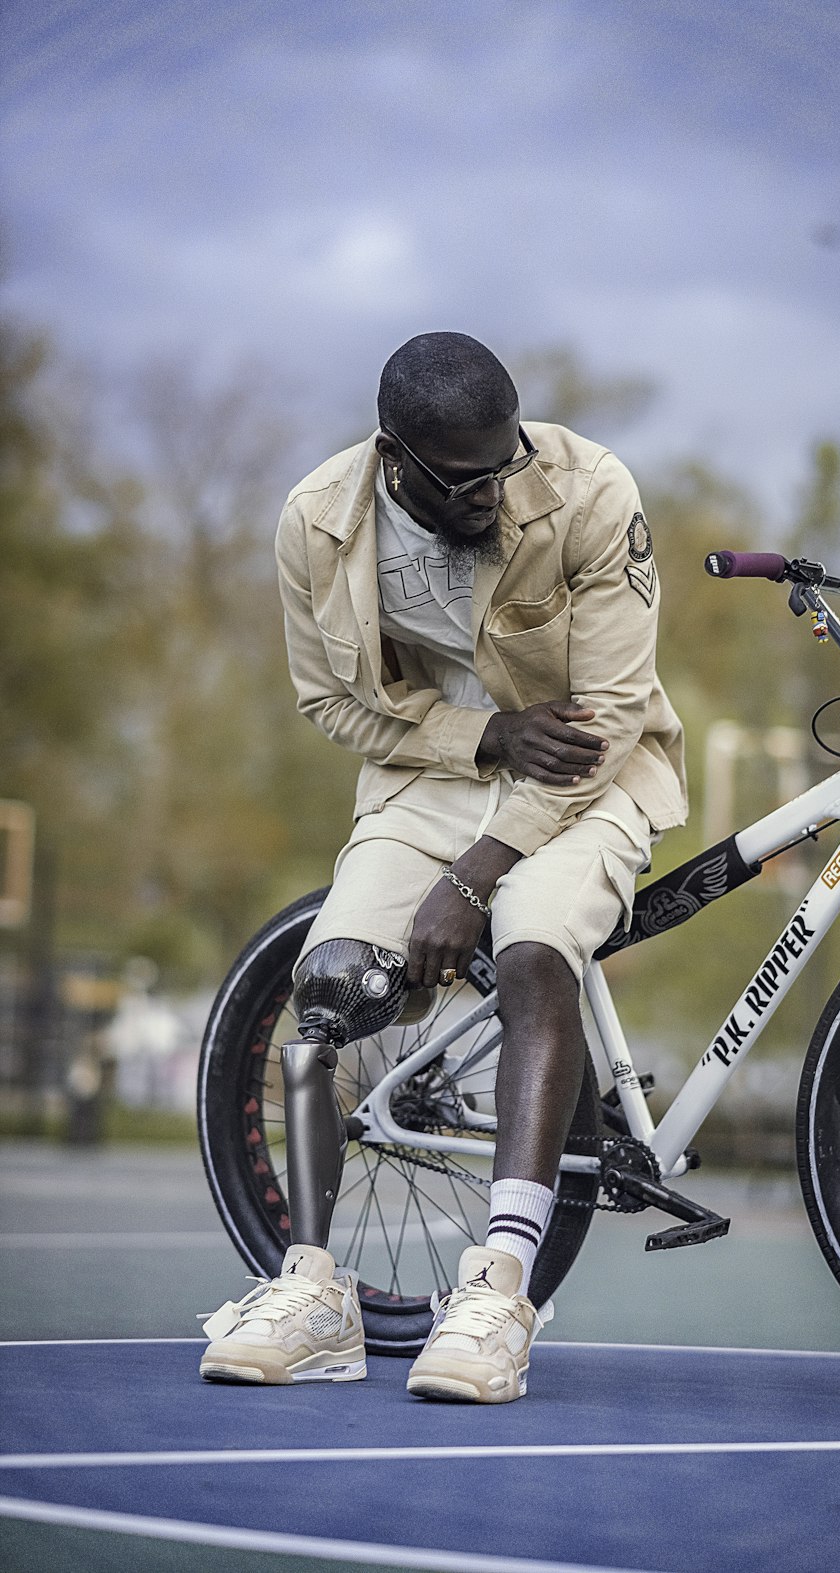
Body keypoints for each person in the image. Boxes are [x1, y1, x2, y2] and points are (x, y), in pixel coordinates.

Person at [199, 332, 686, 1402]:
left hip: (588, 779)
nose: (492, 494)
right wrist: (482, 737)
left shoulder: (590, 489)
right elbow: (331, 701)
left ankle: (499, 1292)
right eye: (463, 479)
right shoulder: (318, 522)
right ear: (395, 455)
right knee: (324, 989)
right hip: (434, 776)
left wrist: (474, 876)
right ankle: (314, 1288)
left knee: (532, 948)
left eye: (505, 463)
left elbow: (597, 726)